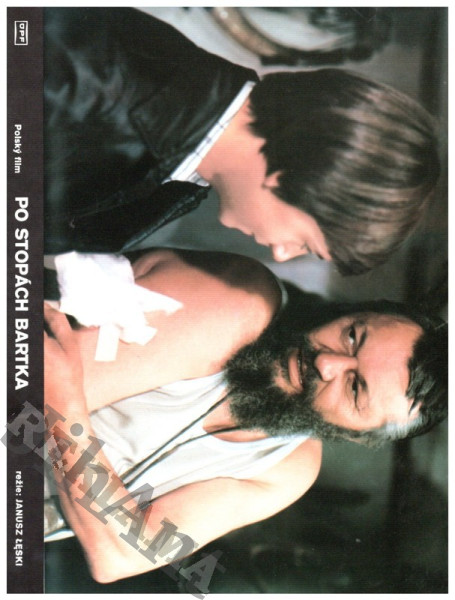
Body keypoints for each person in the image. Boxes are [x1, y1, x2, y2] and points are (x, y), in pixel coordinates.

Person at [43, 248, 447, 584]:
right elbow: (28, 388)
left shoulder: (291, 467)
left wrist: (65, 405)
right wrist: (62, 408)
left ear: (357, 435)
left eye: (355, 387)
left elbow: (119, 558)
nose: (327, 363)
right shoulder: (241, 306)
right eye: (352, 335)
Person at [44, 8, 440, 274]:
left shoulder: (192, 167)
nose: (281, 253)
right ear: (290, 178)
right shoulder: (88, 77)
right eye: (304, 243)